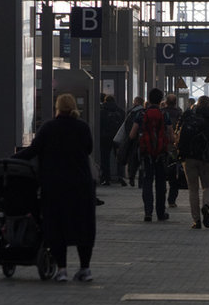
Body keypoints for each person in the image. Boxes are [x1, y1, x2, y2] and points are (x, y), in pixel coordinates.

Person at [13, 94, 96, 282]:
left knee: (56, 226)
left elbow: (33, 150)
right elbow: (89, 149)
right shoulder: (82, 127)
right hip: (81, 185)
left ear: (57, 108)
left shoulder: (48, 128)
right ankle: (85, 269)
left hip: (55, 185)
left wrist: (12, 158)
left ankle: (62, 270)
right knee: (83, 227)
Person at [177, 99, 209, 229]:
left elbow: (178, 133)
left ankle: (196, 221)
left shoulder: (188, 116)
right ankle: (206, 206)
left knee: (193, 189)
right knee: (208, 186)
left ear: (197, 104)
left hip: (189, 158)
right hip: (208, 157)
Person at [129, 88, 172, 222]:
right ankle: (160, 213)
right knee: (160, 183)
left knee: (147, 182)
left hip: (146, 153)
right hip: (161, 154)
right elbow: (171, 137)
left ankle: (148, 212)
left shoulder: (141, 114)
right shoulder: (165, 114)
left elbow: (132, 134)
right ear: (161, 100)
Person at [162, 94, 183, 208]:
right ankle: (171, 200)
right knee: (174, 174)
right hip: (174, 147)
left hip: (161, 146)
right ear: (175, 102)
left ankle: (161, 199)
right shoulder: (179, 113)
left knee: (162, 173)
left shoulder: (162, 112)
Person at [99, 95, 126, 186]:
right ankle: (120, 176)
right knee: (119, 157)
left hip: (105, 138)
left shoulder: (101, 111)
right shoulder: (121, 111)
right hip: (117, 137)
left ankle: (106, 178)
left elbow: (100, 125)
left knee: (105, 158)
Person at [123, 96, 145, 187]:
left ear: (135, 102)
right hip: (142, 138)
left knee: (132, 159)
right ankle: (141, 180)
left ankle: (131, 177)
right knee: (141, 160)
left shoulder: (131, 112)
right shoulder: (144, 112)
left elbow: (126, 125)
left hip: (133, 138)